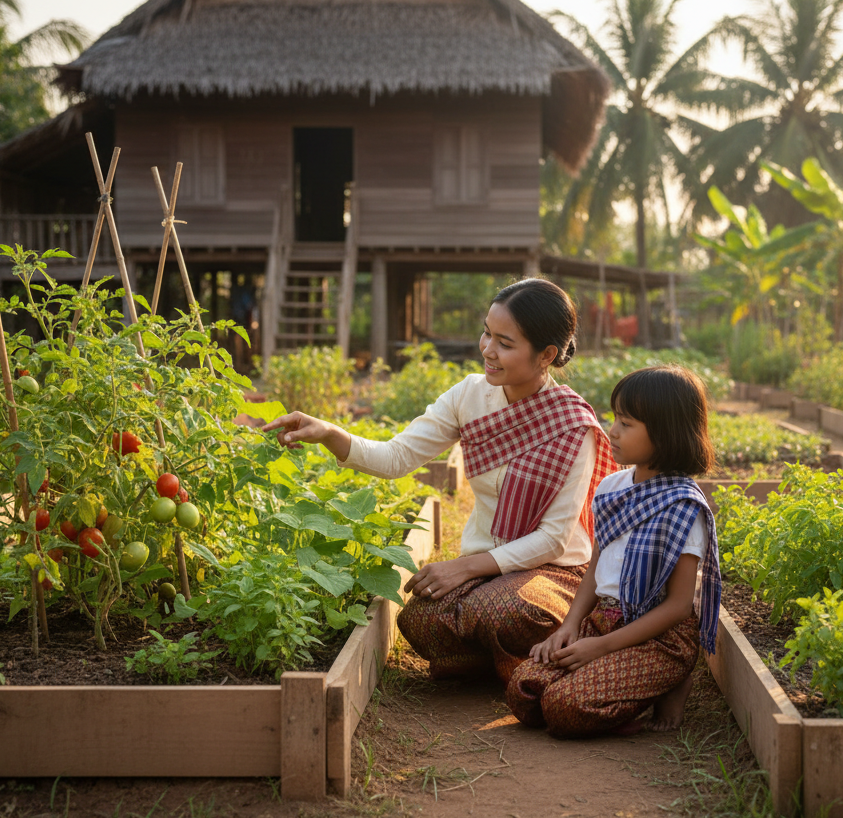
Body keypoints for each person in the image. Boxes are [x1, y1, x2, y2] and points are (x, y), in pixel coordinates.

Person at [262, 278, 617, 684]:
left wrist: (463, 568)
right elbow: (396, 457)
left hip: (552, 571)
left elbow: (553, 539)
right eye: (486, 333)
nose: (487, 350)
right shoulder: (469, 396)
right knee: (419, 618)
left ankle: (530, 657)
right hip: (487, 574)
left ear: (546, 354)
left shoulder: (572, 426)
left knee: (505, 611)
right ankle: (515, 661)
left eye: (505, 343)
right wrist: (327, 431)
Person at [505, 365, 719, 738]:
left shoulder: (683, 507)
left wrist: (600, 648)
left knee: (564, 708)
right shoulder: (611, 488)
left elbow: (678, 606)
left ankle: (670, 684)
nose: (612, 431)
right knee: (523, 690)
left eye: (627, 423)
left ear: (666, 433)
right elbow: (595, 567)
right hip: (602, 622)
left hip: (656, 638)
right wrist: (569, 627)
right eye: (614, 418)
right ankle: (615, 684)